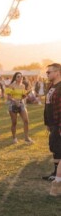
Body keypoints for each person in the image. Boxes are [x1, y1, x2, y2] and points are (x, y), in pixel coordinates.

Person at [43, 63, 61, 196]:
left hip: (58, 123)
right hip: (52, 123)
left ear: (57, 72)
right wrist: (47, 122)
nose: (47, 74)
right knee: (54, 147)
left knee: (58, 147)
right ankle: (55, 173)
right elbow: (47, 106)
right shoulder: (51, 86)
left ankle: (57, 177)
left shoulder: (60, 88)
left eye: (49, 72)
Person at [4, 72, 33, 144]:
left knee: (26, 120)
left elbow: (23, 96)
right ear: (15, 78)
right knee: (14, 122)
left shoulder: (23, 86)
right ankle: (14, 138)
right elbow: (8, 96)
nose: (20, 78)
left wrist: (26, 94)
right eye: (18, 77)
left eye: (21, 77)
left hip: (21, 103)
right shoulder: (11, 85)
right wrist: (14, 101)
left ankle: (26, 138)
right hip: (12, 104)